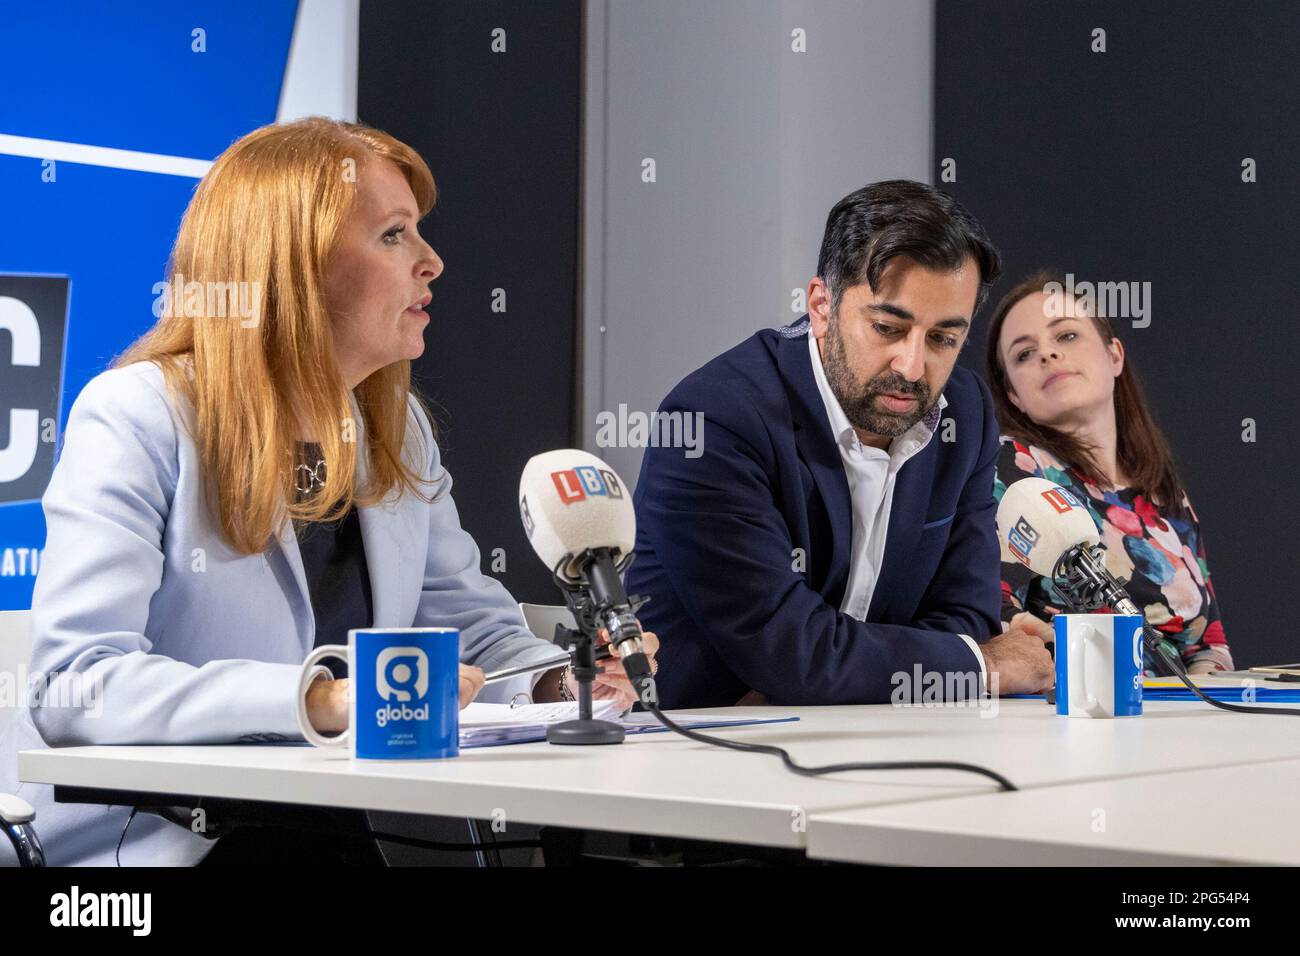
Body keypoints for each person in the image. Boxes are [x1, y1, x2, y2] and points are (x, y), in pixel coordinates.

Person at [0, 118, 656, 866]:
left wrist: (559, 681)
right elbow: (73, 684)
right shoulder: (137, 415)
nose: (433, 262)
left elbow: (473, 635)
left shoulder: (395, 428)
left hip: (332, 832)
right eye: (393, 235)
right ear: (293, 267)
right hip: (155, 851)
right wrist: (315, 699)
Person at [627, 180, 1054, 708]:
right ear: (821, 305)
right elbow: (791, 652)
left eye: (944, 338)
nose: (913, 367)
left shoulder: (963, 414)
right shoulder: (712, 421)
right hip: (700, 751)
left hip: (887, 736)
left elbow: (965, 612)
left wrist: (862, 673)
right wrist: (981, 665)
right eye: (886, 327)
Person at [986, 271, 1231, 674]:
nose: (1047, 354)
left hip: (1183, 725)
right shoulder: (1011, 467)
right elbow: (995, 615)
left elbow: (1208, 644)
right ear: (1015, 396)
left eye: (1066, 336)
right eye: (1023, 354)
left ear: (1114, 356)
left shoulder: (1163, 492)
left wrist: (1199, 713)